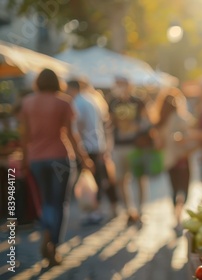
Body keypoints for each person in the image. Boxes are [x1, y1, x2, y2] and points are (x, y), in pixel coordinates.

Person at [20, 68, 94, 266]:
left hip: (36, 159)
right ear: (56, 83)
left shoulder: (27, 102)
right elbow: (71, 134)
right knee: (60, 202)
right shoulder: (64, 102)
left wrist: (24, 160)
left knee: (45, 202)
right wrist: (84, 157)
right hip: (59, 158)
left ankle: (46, 234)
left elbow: (24, 136)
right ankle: (53, 243)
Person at [66, 80, 118, 224]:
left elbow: (76, 126)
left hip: (86, 146)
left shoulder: (78, 102)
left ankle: (93, 211)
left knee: (92, 179)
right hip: (97, 144)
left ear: (72, 89)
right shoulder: (92, 100)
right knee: (99, 178)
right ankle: (103, 208)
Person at [108, 76, 149, 223]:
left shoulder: (138, 101)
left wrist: (135, 127)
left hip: (135, 146)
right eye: (117, 85)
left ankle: (140, 209)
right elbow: (109, 122)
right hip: (119, 146)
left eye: (122, 85)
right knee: (120, 179)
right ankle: (128, 211)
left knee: (139, 178)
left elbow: (146, 121)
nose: (119, 88)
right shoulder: (113, 102)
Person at [154, 87, 198, 224]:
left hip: (169, 160)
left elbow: (158, 145)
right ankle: (179, 212)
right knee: (183, 188)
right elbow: (192, 136)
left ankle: (176, 213)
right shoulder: (180, 118)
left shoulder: (161, 122)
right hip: (182, 159)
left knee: (174, 187)